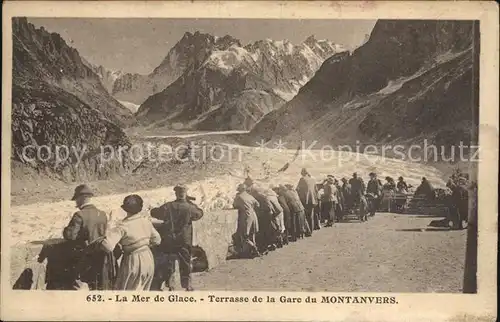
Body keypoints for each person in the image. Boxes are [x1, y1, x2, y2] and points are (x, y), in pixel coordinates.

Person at [63, 184, 118, 290]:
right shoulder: (102, 214)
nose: (76, 202)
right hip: (101, 257)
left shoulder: (79, 215)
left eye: (77, 199)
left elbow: (70, 236)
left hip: (85, 257)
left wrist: (65, 229)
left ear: (82, 198)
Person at [100, 195, 161, 290]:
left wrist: (109, 225)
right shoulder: (146, 221)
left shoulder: (123, 226)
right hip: (148, 257)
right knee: (143, 291)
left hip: (133, 259)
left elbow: (107, 246)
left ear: (125, 209)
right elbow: (157, 240)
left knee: (130, 291)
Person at [150, 184, 204, 291]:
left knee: (169, 263)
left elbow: (154, 213)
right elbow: (200, 213)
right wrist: (190, 202)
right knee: (185, 262)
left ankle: (170, 285)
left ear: (175, 193)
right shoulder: (189, 207)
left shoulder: (168, 206)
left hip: (170, 239)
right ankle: (187, 285)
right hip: (184, 240)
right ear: (185, 194)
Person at [232, 184, 261, 258]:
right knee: (252, 234)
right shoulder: (250, 196)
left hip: (246, 216)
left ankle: (254, 249)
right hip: (253, 215)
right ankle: (251, 251)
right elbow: (258, 204)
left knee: (245, 235)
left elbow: (234, 205)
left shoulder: (238, 197)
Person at [296, 168, 319, 233]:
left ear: (302, 173)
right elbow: (316, 190)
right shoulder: (313, 179)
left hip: (305, 200)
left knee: (305, 216)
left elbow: (298, 189)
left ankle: (307, 231)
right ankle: (311, 230)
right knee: (311, 216)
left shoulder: (302, 179)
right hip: (312, 200)